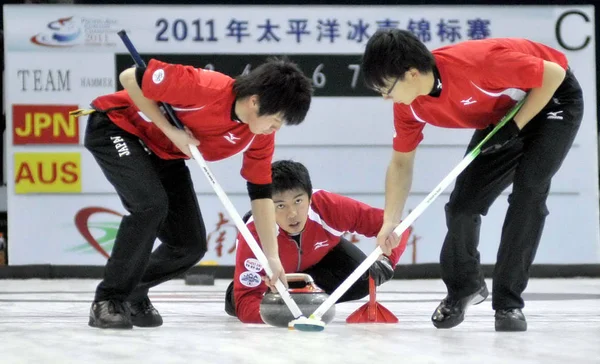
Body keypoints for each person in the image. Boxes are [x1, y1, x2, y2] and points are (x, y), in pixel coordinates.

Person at [362, 29, 583, 332]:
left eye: (387, 88)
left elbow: (554, 73)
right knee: (462, 206)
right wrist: (390, 221)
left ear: (412, 74)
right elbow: (401, 162)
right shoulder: (408, 106)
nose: (386, 98)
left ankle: (509, 304)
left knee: (528, 193)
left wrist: (516, 126)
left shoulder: (477, 63)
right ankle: (465, 286)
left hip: (553, 98)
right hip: (506, 113)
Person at [79, 57, 313, 329]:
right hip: (118, 126)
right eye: (276, 120)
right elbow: (130, 78)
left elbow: (261, 194)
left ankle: (134, 290)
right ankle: (109, 299)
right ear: (255, 101)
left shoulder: (259, 135)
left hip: (163, 150)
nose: (277, 128)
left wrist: (272, 258)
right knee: (150, 205)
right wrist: (169, 129)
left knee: (189, 244)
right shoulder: (205, 87)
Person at [225, 160, 408, 323]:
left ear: (310, 198)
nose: (292, 214)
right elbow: (245, 301)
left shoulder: (329, 206)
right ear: (266, 207)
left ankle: (306, 295)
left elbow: (396, 227)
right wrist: (283, 315)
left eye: (298, 201)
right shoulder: (253, 233)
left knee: (365, 279)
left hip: (322, 261)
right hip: (271, 281)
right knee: (238, 301)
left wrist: (387, 259)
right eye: (280, 206)